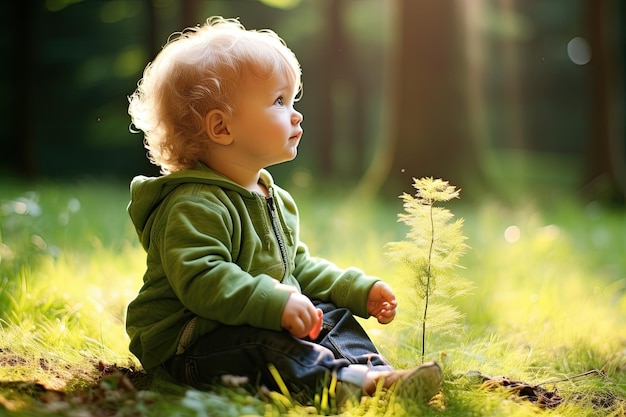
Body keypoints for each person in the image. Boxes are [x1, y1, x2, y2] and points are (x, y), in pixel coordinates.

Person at [125, 16, 442, 406]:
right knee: (267, 343)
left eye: (292, 101)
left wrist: (354, 289)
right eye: (278, 102)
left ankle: (374, 374)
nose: (295, 114)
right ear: (222, 128)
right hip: (192, 347)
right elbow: (202, 279)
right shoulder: (193, 204)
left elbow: (296, 266)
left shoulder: (271, 197)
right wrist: (275, 303)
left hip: (249, 317)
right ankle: (337, 385)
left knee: (329, 314)